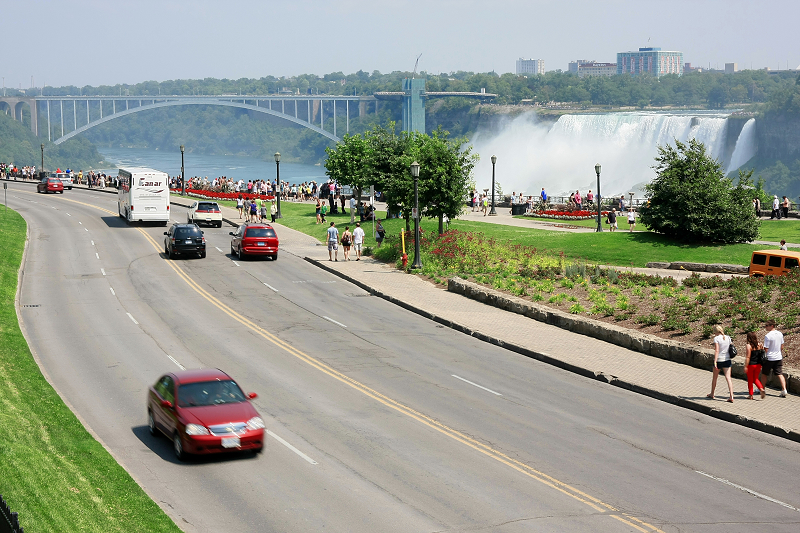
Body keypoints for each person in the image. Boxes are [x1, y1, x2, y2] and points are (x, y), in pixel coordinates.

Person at [760, 319, 788, 397]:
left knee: (764, 374)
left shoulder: (768, 336)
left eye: (766, 325)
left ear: (772, 326)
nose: (765, 327)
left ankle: (762, 388)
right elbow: (782, 346)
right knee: (779, 373)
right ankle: (784, 389)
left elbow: (766, 348)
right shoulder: (780, 334)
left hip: (769, 358)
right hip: (778, 357)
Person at [707, 325, 735, 403]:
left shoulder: (716, 339)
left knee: (715, 378)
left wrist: (715, 361)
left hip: (719, 360)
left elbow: (717, 350)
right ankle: (731, 396)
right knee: (728, 378)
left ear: (716, 332)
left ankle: (712, 393)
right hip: (727, 359)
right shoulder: (728, 338)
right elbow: (731, 346)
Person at [744, 331, 766, 400]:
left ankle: (750, 395)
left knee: (750, 380)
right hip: (758, 365)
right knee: (756, 378)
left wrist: (745, 366)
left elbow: (748, 357)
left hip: (751, 365)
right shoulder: (759, 344)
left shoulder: (749, 346)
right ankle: (761, 388)